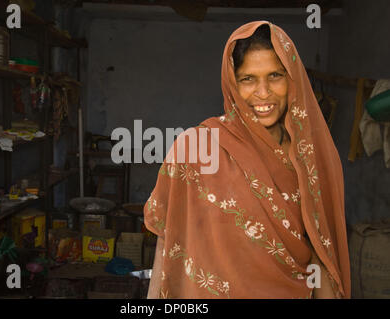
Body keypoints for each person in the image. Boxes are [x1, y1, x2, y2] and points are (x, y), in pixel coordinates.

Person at [144, 21, 350, 299]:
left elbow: (321, 255)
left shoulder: (312, 161)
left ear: (292, 79)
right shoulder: (195, 148)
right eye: (248, 79)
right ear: (232, 84)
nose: (263, 93)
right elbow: (167, 239)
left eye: (275, 76)